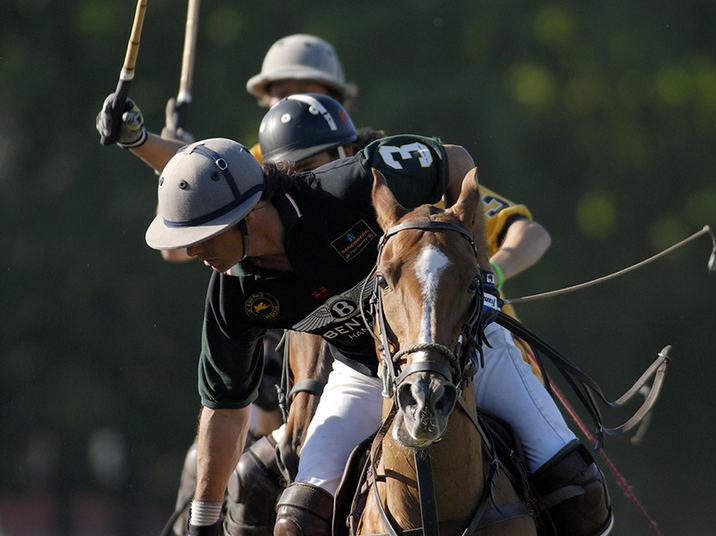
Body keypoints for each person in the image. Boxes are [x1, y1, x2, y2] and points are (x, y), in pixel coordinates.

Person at [135, 132, 613, 536]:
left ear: (249, 211)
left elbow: (457, 160)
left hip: (474, 357)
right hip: (366, 374)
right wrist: (202, 521)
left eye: (203, 235)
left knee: (579, 489)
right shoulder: (232, 291)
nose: (194, 251)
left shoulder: (349, 186)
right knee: (298, 518)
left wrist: (479, 269)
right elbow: (225, 410)